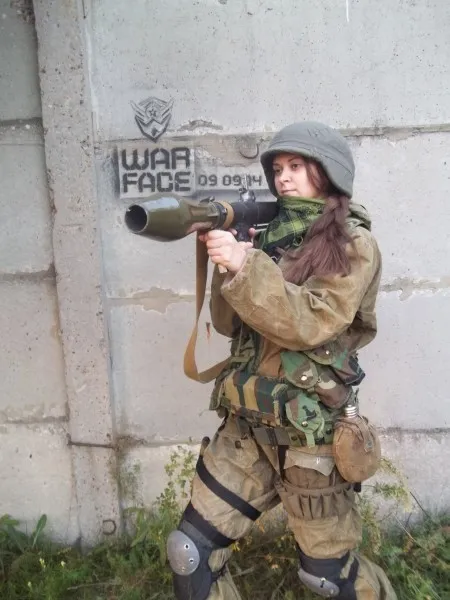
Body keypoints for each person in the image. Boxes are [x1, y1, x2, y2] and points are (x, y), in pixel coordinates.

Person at [167, 122, 397, 599]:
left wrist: (246, 265)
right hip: (247, 427)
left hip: (311, 436)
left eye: (296, 166)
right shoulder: (268, 236)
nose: (283, 177)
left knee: (328, 578)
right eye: (277, 169)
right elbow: (229, 326)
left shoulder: (353, 244)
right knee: (188, 552)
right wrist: (232, 263)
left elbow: (312, 322)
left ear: (328, 173)